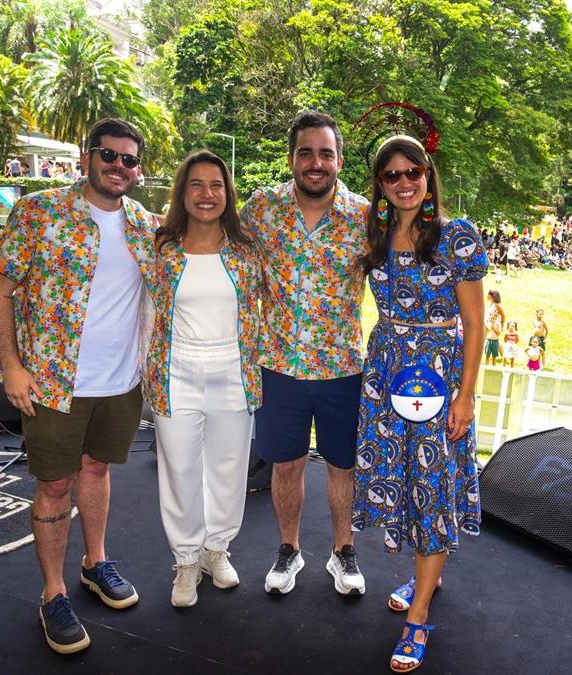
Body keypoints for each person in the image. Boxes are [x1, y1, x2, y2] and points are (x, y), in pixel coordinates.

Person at [0, 118, 157, 654]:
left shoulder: (145, 225)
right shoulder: (39, 212)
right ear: (87, 157)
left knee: (97, 469)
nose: (118, 166)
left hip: (122, 382)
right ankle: (53, 592)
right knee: (55, 484)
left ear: (139, 170)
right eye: (109, 155)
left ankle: (95, 562)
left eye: (129, 159)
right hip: (56, 383)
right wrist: (11, 364)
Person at [351, 134, 486, 672]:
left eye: (414, 172)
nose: (405, 183)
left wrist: (466, 395)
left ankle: (419, 616)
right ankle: (427, 574)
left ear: (428, 175)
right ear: (381, 185)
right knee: (409, 480)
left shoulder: (458, 237)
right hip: (387, 374)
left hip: (438, 380)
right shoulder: (376, 233)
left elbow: (475, 324)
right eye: (392, 175)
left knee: (433, 487)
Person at [240, 111, 370, 597]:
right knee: (286, 465)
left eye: (326, 153)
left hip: (342, 367)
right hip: (279, 366)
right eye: (306, 153)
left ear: (339, 159)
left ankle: (343, 552)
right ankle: (289, 550)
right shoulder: (262, 208)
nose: (316, 163)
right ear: (292, 157)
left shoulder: (364, 215)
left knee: (343, 465)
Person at [146, 150, 263, 608]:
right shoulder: (161, 249)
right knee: (179, 471)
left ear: (228, 194)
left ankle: (217, 550)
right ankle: (186, 560)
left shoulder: (248, 250)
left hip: (233, 372)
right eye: (196, 184)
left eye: (216, 185)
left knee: (229, 470)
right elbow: (147, 312)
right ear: (182, 192)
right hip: (177, 375)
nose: (207, 194)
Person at [484, 290, 504, 366]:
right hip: (489, 325)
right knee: (489, 342)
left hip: (495, 325)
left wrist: (502, 325)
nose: (486, 296)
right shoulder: (491, 304)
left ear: (491, 296)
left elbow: (503, 315)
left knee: (495, 342)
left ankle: (502, 357)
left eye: (488, 294)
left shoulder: (497, 305)